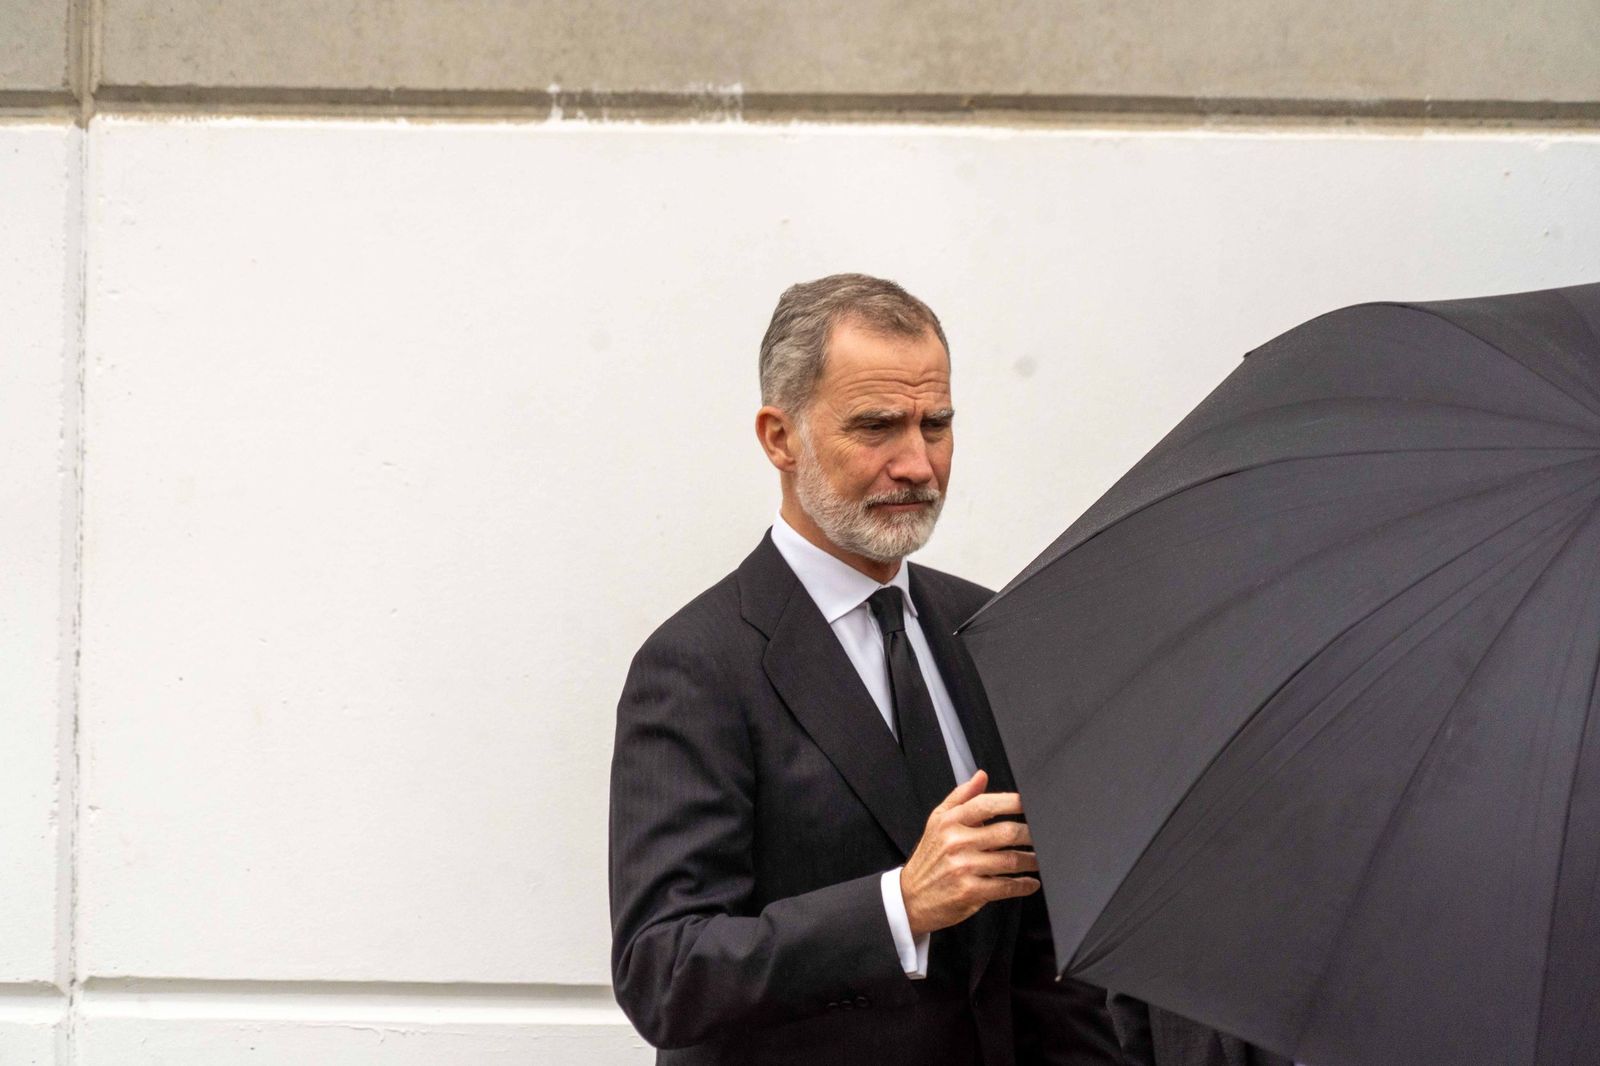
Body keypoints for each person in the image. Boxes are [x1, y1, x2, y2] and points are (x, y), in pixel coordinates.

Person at [609, 274, 1120, 1065]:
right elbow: (666, 974)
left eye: (937, 423)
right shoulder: (699, 666)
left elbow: (1047, 951)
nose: (917, 463)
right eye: (877, 426)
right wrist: (899, 907)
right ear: (780, 437)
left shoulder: (991, 631)